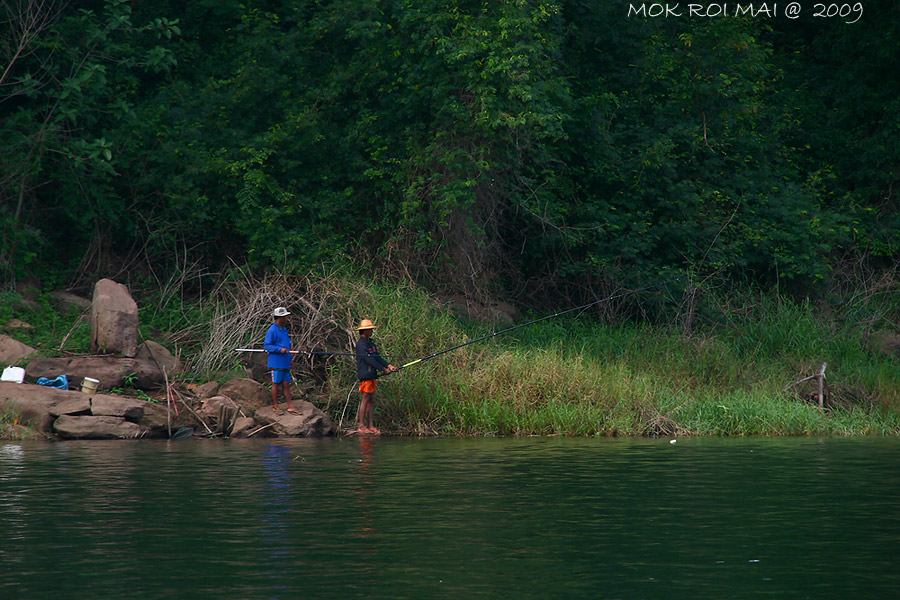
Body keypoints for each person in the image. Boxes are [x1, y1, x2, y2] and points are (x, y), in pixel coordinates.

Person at [355, 319, 397, 434]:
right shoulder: (361, 344)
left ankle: (370, 425)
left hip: (372, 374)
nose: (372, 331)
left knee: (371, 399)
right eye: (370, 329)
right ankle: (362, 426)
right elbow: (368, 359)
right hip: (365, 374)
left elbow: (377, 357)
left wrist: (389, 365)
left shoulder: (370, 343)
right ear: (364, 331)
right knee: (365, 398)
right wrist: (383, 369)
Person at [264, 307, 299, 414]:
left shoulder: (284, 329)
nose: (287, 318)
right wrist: (279, 349)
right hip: (276, 362)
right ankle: (276, 405)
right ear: (280, 317)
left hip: (285, 362)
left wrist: (290, 359)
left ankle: (290, 405)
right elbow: (267, 346)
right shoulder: (272, 330)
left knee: (286, 384)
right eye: (285, 316)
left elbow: (287, 346)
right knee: (276, 383)